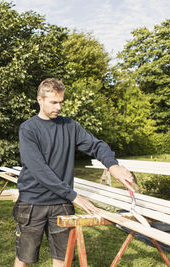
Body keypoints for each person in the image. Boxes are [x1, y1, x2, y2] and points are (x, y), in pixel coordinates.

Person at [13, 78, 134, 267]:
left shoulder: (69, 126)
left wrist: (112, 165)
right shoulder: (28, 129)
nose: (58, 107)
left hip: (61, 202)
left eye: (61, 102)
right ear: (40, 100)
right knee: (24, 258)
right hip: (32, 203)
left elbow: (96, 145)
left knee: (63, 258)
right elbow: (39, 170)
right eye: (53, 102)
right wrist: (74, 196)